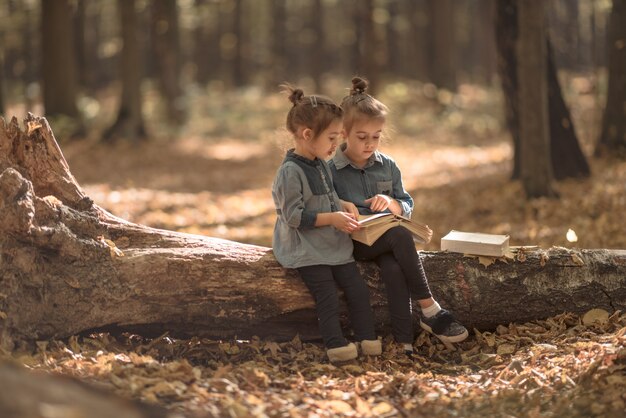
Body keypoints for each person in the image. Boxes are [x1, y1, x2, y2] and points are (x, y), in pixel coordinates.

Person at [329, 77, 468, 355]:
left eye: (376, 136)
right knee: (400, 235)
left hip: (384, 242)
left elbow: (406, 202)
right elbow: (323, 204)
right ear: (344, 133)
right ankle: (431, 309)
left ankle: (404, 343)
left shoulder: (387, 165)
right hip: (354, 242)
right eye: (362, 137)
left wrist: (392, 203)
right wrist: (341, 204)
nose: (370, 144)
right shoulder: (331, 169)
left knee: (394, 268)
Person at [271, 84, 382, 362]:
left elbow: (328, 194)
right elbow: (294, 217)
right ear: (308, 135)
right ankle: (335, 344)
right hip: (305, 247)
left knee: (356, 288)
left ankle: (367, 337)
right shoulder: (290, 172)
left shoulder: (320, 161)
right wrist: (332, 218)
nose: (337, 144)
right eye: (332, 137)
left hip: (331, 241)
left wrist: (341, 204)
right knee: (327, 295)